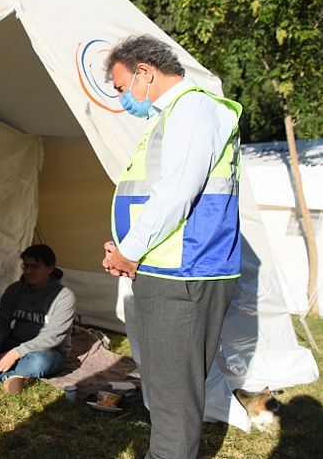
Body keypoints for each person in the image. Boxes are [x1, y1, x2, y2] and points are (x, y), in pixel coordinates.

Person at [101, 35, 242, 459]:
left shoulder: (193, 109)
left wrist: (131, 249)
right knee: (164, 389)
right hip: (163, 268)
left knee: (174, 394)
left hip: (184, 273)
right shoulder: (169, 117)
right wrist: (125, 247)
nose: (123, 99)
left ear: (145, 71)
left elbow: (178, 191)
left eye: (122, 87)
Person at [0, 244, 76, 395]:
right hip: (15, 343)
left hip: (48, 351)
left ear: (50, 269)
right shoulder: (15, 290)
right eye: (25, 265)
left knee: (41, 362)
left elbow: (52, 337)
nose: (28, 271)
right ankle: (14, 375)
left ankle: (1, 373)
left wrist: (15, 354)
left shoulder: (64, 296)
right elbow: (1, 321)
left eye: (34, 266)